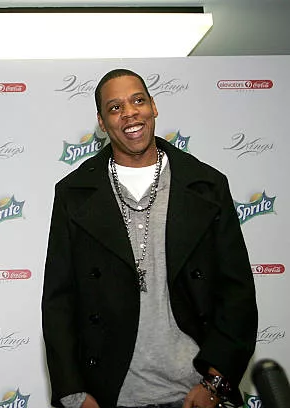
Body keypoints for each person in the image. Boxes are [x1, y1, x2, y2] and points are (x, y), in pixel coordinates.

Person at [41, 68, 257, 408]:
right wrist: (75, 395)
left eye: (138, 100)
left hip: (195, 391)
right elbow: (59, 302)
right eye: (115, 107)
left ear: (153, 107)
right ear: (101, 121)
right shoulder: (73, 194)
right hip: (112, 394)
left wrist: (216, 383)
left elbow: (237, 292)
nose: (130, 113)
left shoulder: (207, 186)